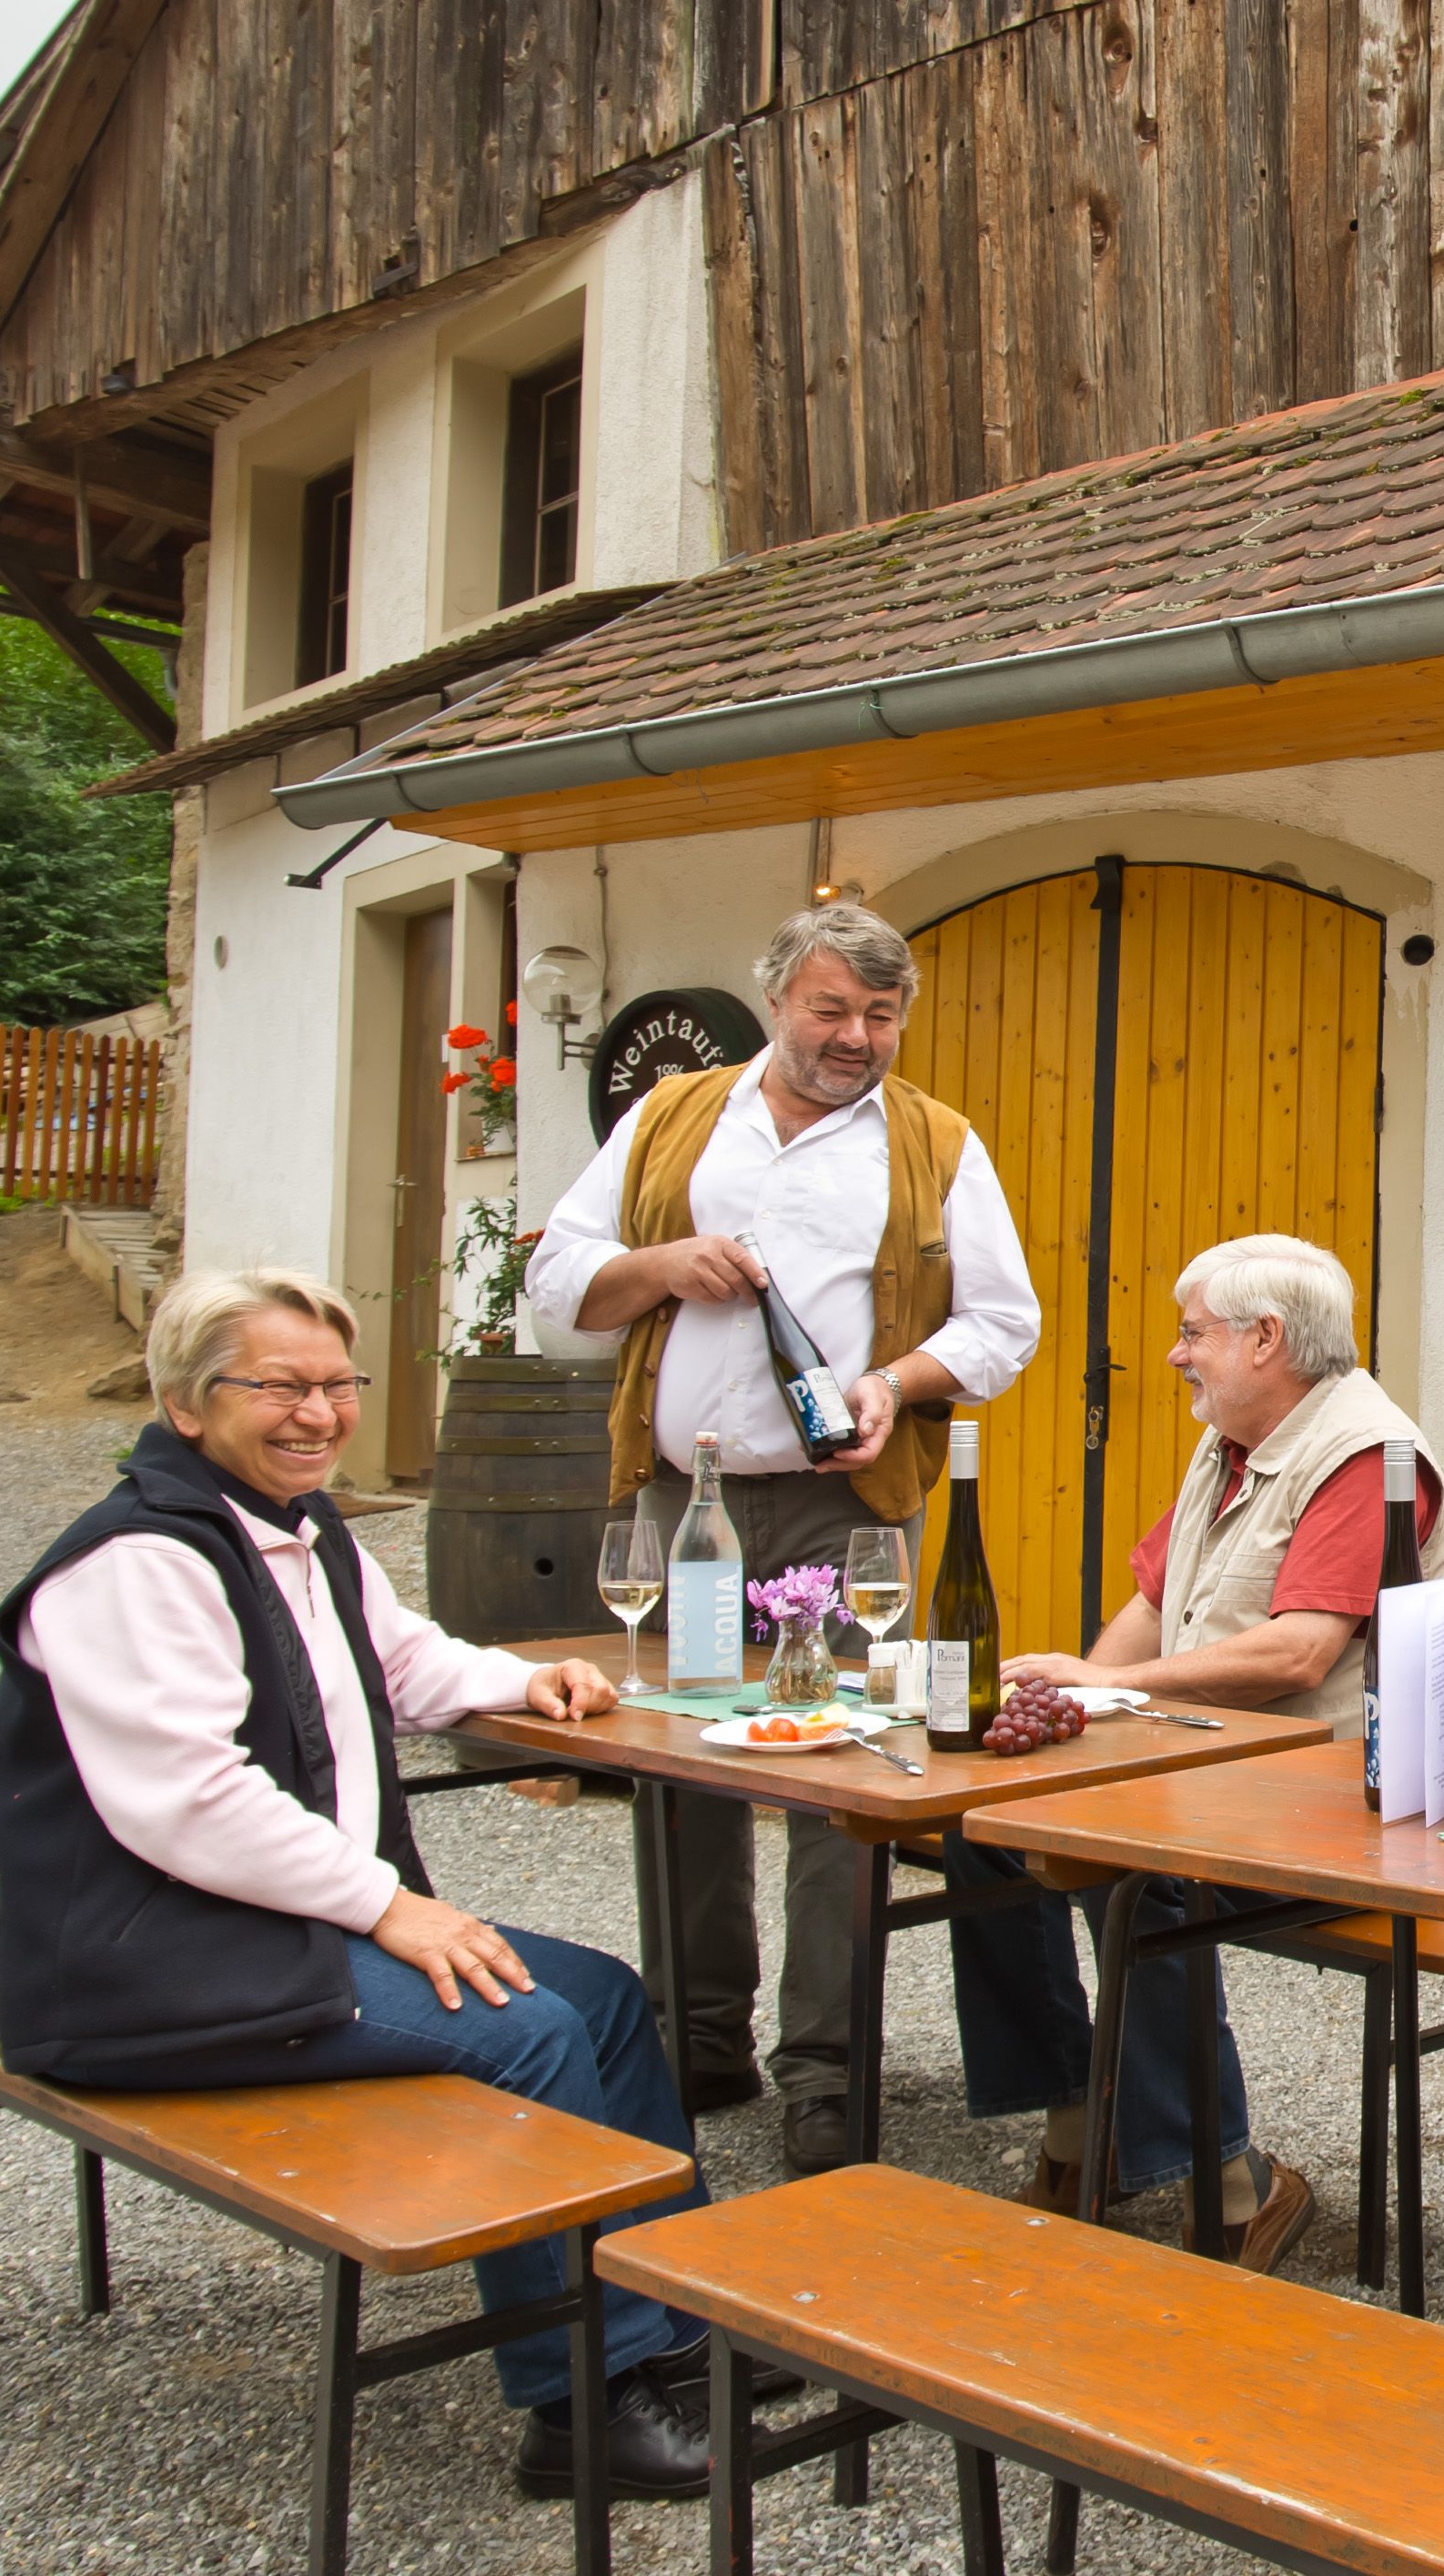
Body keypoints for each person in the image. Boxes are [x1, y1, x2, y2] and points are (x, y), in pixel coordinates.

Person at [0, 1270, 728, 2499]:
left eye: (337, 1385)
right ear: (184, 1402)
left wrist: (511, 1681)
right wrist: (391, 1906)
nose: (316, 1412)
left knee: (601, 1995)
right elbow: (190, 1802)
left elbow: (395, 1659)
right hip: (149, 1961)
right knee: (526, 2029)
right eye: (279, 1385)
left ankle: (674, 2319)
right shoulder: (134, 1566)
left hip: (258, 1929)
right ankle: (575, 2404)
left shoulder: (297, 1526)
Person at [529, 902, 1041, 2174]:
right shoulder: (672, 1117)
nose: (856, 1038)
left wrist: (897, 1384)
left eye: (880, 1016)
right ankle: (699, 2038)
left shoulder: (937, 1143)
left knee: (844, 1786)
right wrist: (663, 1266)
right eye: (832, 1011)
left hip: (845, 1509)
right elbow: (554, 1286)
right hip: (682, 1500)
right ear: (777, 1004)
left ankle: (828, 2068)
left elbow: (1003, 1323)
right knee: (684, 1763)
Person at [949, 1233, 1444, 2272]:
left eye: (1191, 1332)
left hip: (1322, 1785)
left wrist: (1113, 1691)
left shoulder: (1366, 1456)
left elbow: (1299, 1650)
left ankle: (1232, 2180)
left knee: (1127, 1861)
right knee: (985, 1830)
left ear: (1268, 1339)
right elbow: (1148, 1600)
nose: (1174, 1355)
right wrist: (1069, 1718)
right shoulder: (1227, 1432)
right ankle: (1076, 2120)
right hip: (1205, 1765)